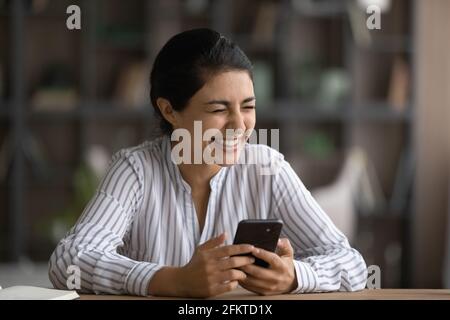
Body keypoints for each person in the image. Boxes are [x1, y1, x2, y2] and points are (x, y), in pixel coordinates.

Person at [48, 28, 367, 297]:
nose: (240, 125)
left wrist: (294, 276)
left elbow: (351, 263)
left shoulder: (267, 168)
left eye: (247, 106)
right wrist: (172, 281)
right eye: (218, 110)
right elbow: (68, 262)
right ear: (170, 110)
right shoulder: (136, 170)